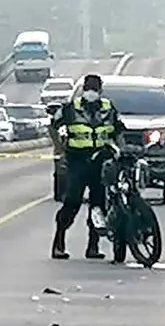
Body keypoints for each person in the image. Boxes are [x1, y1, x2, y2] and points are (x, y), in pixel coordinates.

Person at [49, 73, 125, 260]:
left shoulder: (108, 108)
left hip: (101, 161)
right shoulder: (70, 108)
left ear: (100, 90)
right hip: (78, 161)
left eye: (95, 89)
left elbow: (118, 130)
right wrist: (59, 147)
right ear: (84, 90)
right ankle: (58, 243)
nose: (92, 93)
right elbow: (53, 125)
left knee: (98, 204)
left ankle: (93, 247)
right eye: (89, 89)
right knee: (72, 201)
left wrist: (120, 151)